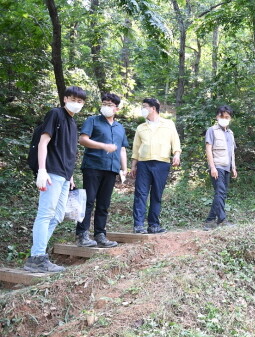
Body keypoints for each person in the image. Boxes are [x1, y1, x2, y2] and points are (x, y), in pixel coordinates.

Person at [24, 86, 87, 273]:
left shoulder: (73, 122)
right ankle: (37, 257)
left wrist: (70, 175)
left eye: (80, 101)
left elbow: (66, 151)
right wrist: (42, 170)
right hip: (51, 173)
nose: (77, 103)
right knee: (45, 213)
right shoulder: (55, 114)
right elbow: (44, 142)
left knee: (57, 215)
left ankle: (37, 254)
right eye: (73, 99)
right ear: (65, 98)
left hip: (64, 176)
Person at [75, 93, 128, 247]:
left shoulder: (120, 127)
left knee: (104, 203)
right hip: (93, 166)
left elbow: (122, 149)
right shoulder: (93, 120)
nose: (106, 106)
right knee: (89, 201)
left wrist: (123, 169)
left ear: (116, 109)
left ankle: (100, 235)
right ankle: (82, 235)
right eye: (104, 103)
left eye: (110, 104)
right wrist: (103, 146)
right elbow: (82, 139)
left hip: (111, 169)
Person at [129, 98, 181, 234]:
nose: (142, 109)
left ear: (153, 108)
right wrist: (133, 166)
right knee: (140, 194)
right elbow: (136, 149)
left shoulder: (168, 124)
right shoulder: (141, 127)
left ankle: (154, 225)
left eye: (144, 107)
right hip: (143, 163)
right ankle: (138, 225)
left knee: (157, 194)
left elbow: (175, 142)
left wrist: (176, 155)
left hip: (162, 163)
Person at [203, 105, 237, 230]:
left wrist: (234, 167)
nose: (224, 119)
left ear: (230, 118)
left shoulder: (230, 133)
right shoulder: (212, 130)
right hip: (217, 166)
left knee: (221, 193)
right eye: (222, 116)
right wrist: (212, 167)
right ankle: (221, 220)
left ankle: (209, 220)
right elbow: (208, 149)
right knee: (220, 192)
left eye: (227, 117)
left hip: (227, 167)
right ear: (217, 117)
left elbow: (231, 151)